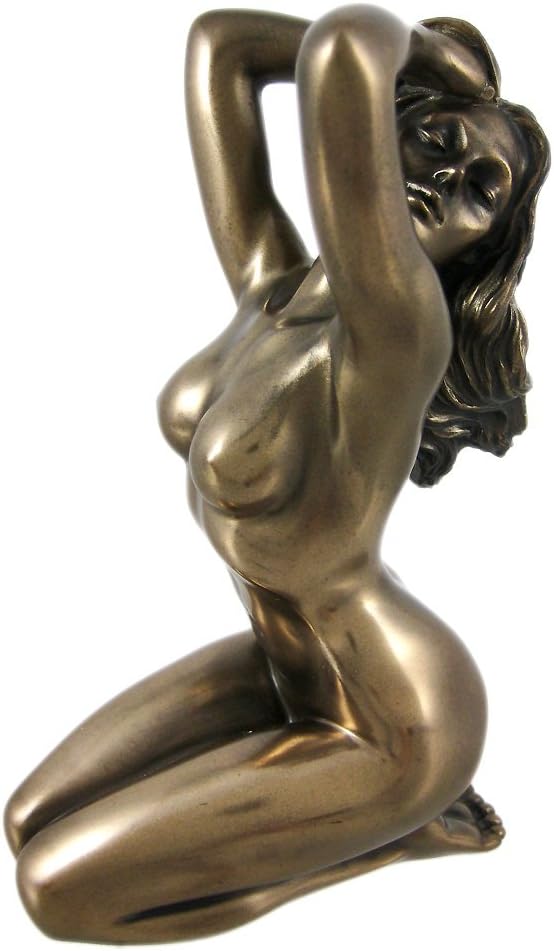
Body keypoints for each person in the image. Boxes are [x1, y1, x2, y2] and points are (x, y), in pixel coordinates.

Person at [4, 6, 549, 943]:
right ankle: (370, 822)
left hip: (398, 723)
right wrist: (437, 75)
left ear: (480, 246)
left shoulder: (400, 330)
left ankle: (389, 838)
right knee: (26, 821)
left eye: (482, 192)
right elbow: (220, 47)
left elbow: (343, 47)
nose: (447, 181)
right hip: (287, 663)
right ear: (387, 133)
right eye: (438, 142)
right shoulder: (272, 290)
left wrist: (430, 63)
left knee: (55, 891)